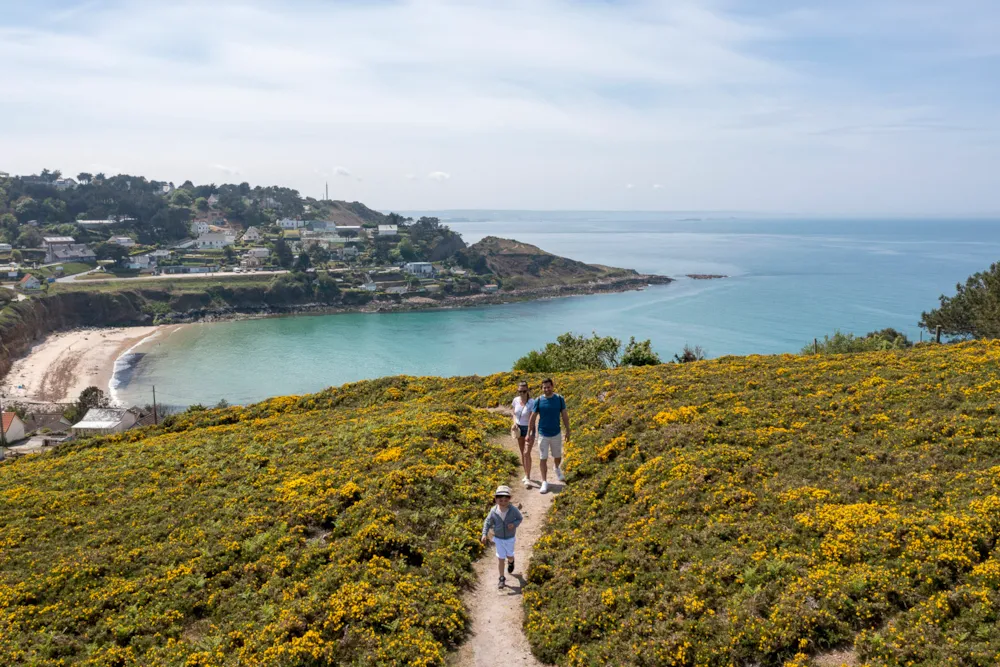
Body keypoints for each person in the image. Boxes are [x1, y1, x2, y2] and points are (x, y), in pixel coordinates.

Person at [527, 377, 570, 494]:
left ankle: (556, 467)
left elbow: (564, 415)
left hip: (556, 433)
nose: (546, 389)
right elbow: (533, 418)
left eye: (548, 387)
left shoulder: (560, 399)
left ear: (552, 387)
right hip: (543, 434)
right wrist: (529, 433)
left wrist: (568, 430)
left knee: (558, 456)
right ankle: (544, 481)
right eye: (544, 387)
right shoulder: (539, 400)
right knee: (543, 458)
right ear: (542, 388)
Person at [480, 485, 523, 589]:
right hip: (498, 538)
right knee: (500, 558)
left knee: (509, 556)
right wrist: (484, 534)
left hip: (509, 538)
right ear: (496, 499)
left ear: (509, 499)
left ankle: (511, 561)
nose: (503, 502)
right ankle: (501, 578)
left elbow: (519, 518)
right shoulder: (493, 511)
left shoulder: (513, 510)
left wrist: (514, 524)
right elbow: (487, 522)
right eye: (500, 500)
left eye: (505, 500)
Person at [511, 381, 536, 488]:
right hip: (519, 428)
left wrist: (529, 432)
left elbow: (532, 418)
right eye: (520, 391)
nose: (522, 393)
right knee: (522, 452)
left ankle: (528, 477)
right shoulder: (515, 400)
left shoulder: (532, 402)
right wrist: (514, 423)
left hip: (529, 428)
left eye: (524, 391)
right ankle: (526, 474)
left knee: (527, 453)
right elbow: (513, 413)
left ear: (528, 391)